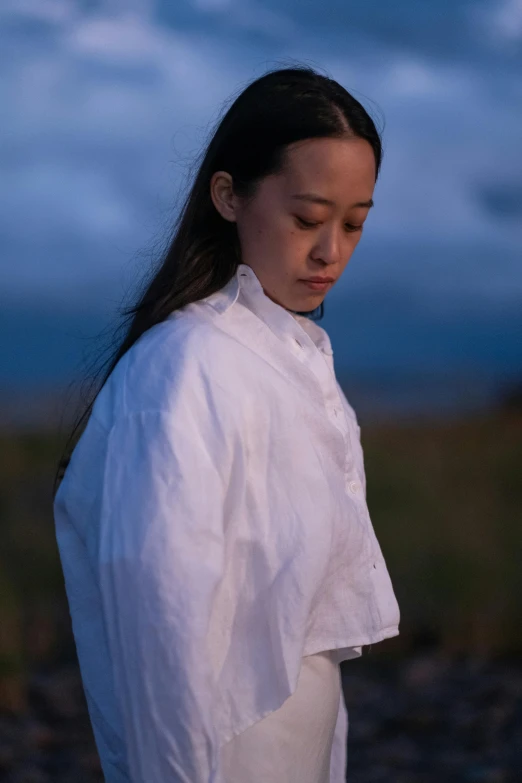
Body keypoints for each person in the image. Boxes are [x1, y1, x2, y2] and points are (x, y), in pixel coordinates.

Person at [53, 65, 400, 783]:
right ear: (228, 195)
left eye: (355, 222)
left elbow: (312, 648)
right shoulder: (183, 367)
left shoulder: (295, 358)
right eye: (307, 218)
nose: (331, 251)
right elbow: (160, 627)